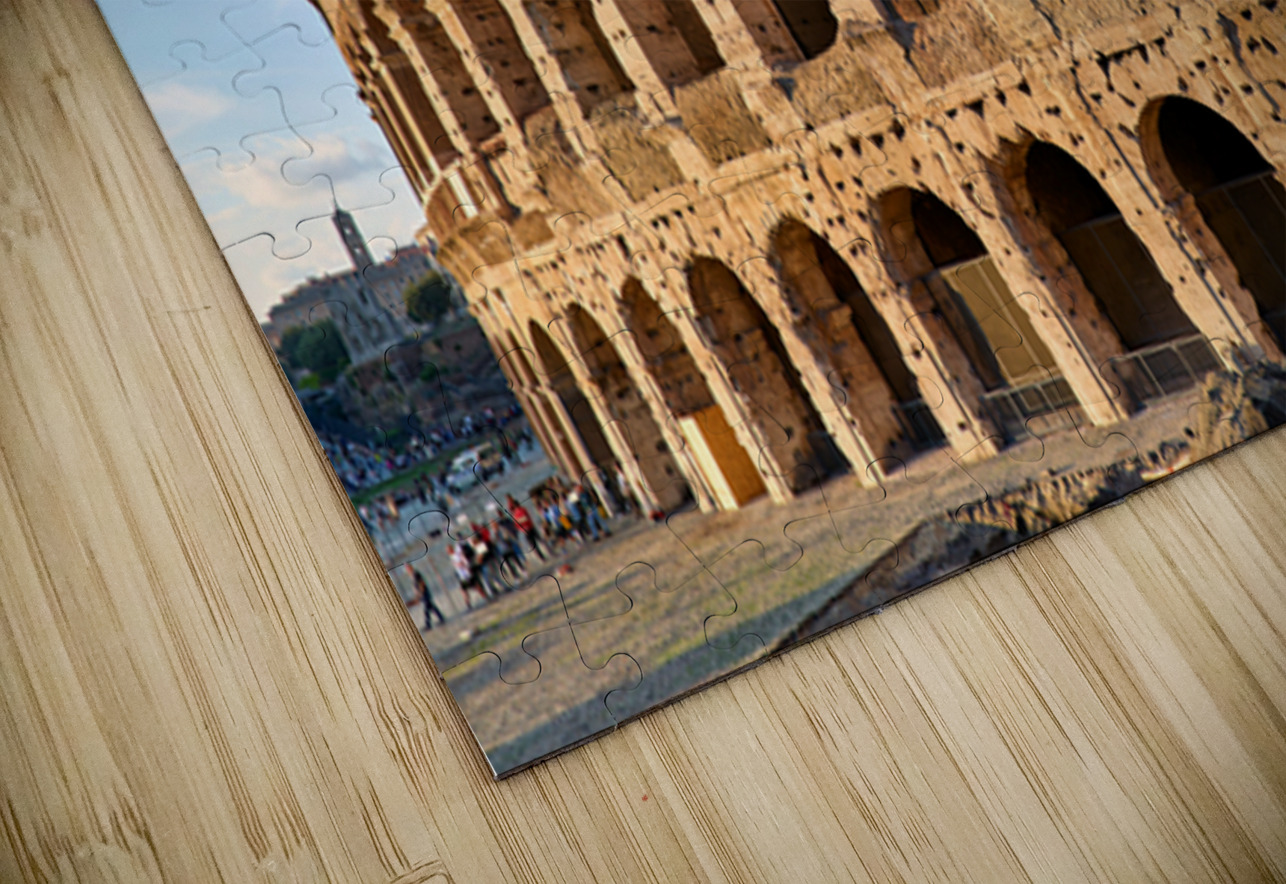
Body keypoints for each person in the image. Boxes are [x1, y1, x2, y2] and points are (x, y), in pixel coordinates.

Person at [448, 542, 489, 610]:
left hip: (467, 574)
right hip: (462, 577)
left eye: (448, 550)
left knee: (476, 586)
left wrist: (461, 564)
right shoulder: (452, 557)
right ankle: (468, 604)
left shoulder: (457, 555)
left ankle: (485, 596)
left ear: (451, 550)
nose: (448, 552)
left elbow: (463, 562)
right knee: (463, 591)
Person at [507, 495, 547, 561]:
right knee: (538, 542)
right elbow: (519, 524)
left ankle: (543, 557)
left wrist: (523, 527)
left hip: (529, 529)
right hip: (529, 529)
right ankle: (543, 557)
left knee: (536, 544)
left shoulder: (519, 512)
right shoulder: (519, 512)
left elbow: (523, 521)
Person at [406, 564, 445, 630]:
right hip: (421, 594)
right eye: (407, 569)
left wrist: (421, 593)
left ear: (411, 567)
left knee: (427, 609)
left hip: (424, 593)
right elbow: (415, 587)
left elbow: (422, 583)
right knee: (431, 607)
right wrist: (417, 595)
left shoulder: (416, 574)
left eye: (408, 568)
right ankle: (441, 618)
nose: (408, 570)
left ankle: (428, 625)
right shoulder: (412, 576)